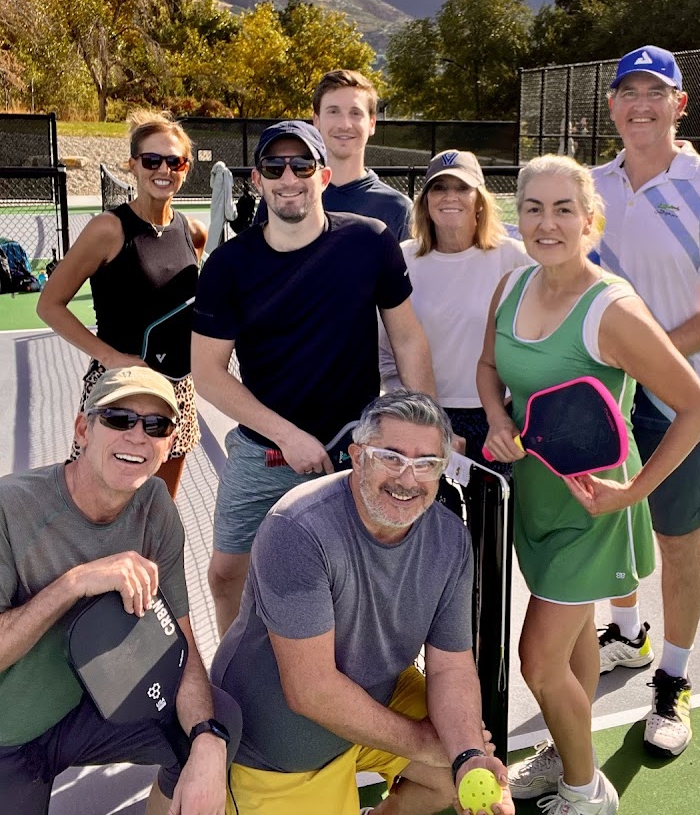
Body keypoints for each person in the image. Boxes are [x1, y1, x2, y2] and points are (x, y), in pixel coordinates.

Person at [477, 155, 700, 814]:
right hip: (534, 497)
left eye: (563, 209)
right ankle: (566, 745)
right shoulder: (513, 287)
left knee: (539, 662)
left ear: (589, 219)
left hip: (593, 511)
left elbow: (696, 407)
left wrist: (632, 493)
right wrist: (498, 417)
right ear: (516, 214)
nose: (547, 222)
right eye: (533, 208)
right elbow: (488, 366)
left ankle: (587, 793)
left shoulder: (613, 309)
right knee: (576, 640)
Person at [211, 390, 515, 815]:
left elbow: (451, 665)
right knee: (440, 749)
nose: (408, 479)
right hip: (278, 750)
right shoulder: (297, 529)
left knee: (455, 757)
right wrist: (430, 744)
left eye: (426, 464)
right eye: (391, 457)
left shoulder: (450, 539)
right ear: (357, 456)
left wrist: (465, 757)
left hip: (377, 699)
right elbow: (311, 691)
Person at [192, 120, 436, 636]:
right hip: (265, 451)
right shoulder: (228, 265)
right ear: (257, 181)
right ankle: (237, 674)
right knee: (227, 573)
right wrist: (286, 435)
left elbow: (408, 338)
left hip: (356, 451)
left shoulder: (369, 242)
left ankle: (350, 680)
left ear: (324, 175)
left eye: (302, 165)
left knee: (358, 576)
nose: (289, 177)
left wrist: (424, 431)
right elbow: (208, 374)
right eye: (274, 166)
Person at [591, 45, 700, 755]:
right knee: (606, 525)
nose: (640, 104)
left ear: (678, 106)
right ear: (612, 107)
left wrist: (653, 349)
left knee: (675, 538)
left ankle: (674, 678)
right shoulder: (590, 184)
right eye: (628, 92)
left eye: (654, 93)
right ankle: (627, 634)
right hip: (599, 390)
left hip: (679, 395)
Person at [0, 366, 241, 815]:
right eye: (118, 418)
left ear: (170, 443)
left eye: (156, 426)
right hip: (10, 730)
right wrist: (74, 583)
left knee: (219, 720)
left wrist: (207, 739)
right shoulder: (10, 506)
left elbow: (180, 642)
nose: (137, 436)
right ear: (83, 429)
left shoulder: (155, 509)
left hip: (97, 707)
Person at [378, 149, 530, 753]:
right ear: (425, 199)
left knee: (481, 566)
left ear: (478, 198)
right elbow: (389, 347)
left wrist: (502, 418)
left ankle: (478, 704)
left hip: (491, 425)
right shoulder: (405, 258)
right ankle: (417, 688)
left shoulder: (510, 258)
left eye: (461, 189)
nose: (450, 198)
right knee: (419, 560)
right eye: (439, 188)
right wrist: (426, 423)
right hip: (424, 423)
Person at [38, 110, 207, 499]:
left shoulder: (193, 231)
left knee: (158, 508)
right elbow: (50, 304)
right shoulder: (107, 230)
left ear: (185, 168)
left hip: (176, 391)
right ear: (133, 165)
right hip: (120, 389)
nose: (163, 169)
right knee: (97, 503)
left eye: (174, 161)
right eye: (152, 160)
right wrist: (111, 357)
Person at [254, 69, 412, 237]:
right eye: (333, 111)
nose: (344, 124)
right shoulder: (287, 197)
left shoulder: (398, 209)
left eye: (355, 113)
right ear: (316, 120)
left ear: (372, 123)